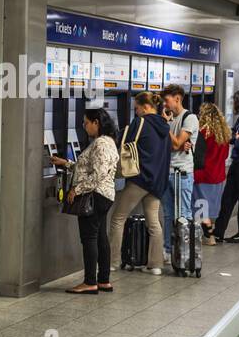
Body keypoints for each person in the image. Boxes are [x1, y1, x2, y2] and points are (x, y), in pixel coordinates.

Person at [52, 108, 119, 294]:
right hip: (103, 195)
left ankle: (90, 281)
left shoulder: (101, 143)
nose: (84, 126)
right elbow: (87, 167)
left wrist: (76, 189)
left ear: (96, 122)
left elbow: (98, 174)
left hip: (95, 195)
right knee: (100, 238)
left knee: (89, 238)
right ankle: (103, 280)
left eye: (86, 122)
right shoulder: (106, 142)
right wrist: (65, 163)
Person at [108, 92, 170, 275]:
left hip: (139, 179)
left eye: (136, 108)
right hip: (157, 182)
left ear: (145, 107)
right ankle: (156, 265)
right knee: (154, 224)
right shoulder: (164, 127)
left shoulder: (140, 123)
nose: (135, 112)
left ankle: (113, 262)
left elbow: (123, 142)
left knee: (118, 218)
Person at [160, 84, 200, 236]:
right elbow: (168, 146)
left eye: (167, 100)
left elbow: (176, 143)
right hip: (167, 172)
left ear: (177, 99)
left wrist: (166, 125)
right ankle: (169, 251)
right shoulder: (170, 119)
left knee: (183, 214)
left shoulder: (189, 118)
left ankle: (186, 253)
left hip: (182, 173)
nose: (165, 104)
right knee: (168, 214)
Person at [214, 88, 239, 244]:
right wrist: (235, 136)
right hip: (238, 162)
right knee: (228, 198)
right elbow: (230, 136)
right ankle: (218, 232)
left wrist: (236, 137)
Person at [194, 101, 231, 245]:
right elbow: (226, 155)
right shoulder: (224, 132)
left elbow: (197, 155)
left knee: (200, 207)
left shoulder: (203, 132)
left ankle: (208, 237)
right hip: (218, 175)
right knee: (210, 207)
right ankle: (209, 235)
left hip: (203, 175)